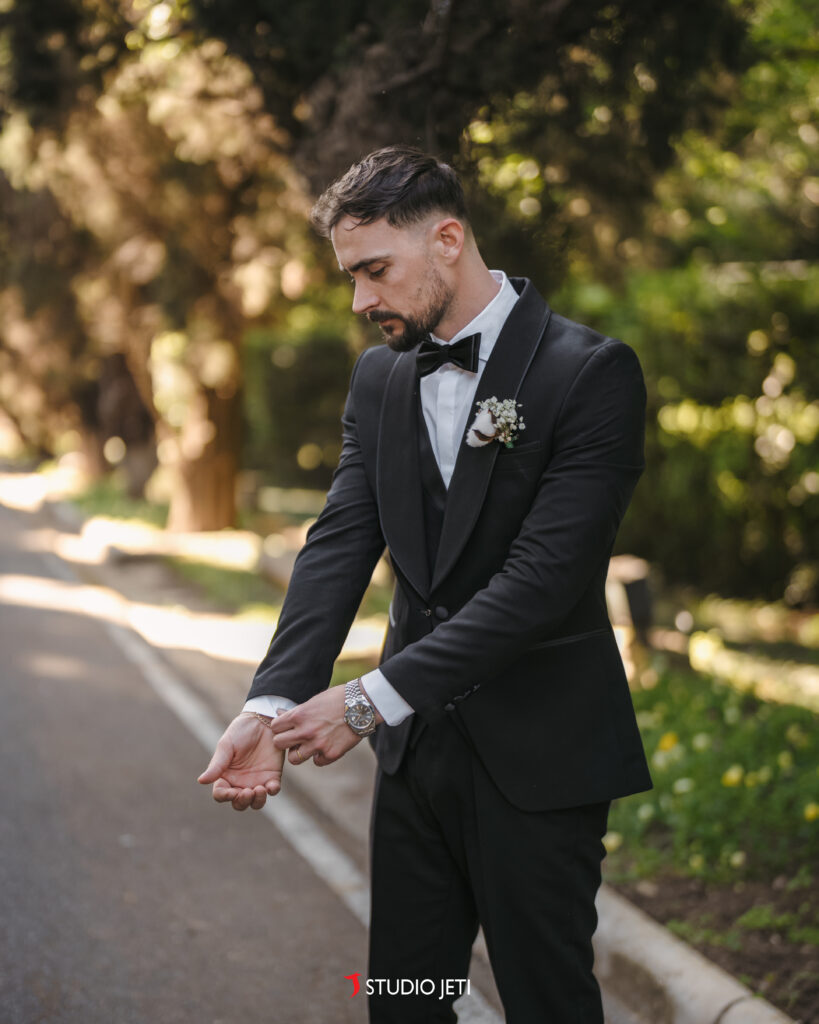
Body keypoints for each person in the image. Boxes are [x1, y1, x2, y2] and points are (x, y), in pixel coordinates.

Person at [199, 145, 652, 1023]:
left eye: (375, 270)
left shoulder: (590, 372)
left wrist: (365, 701)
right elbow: (339, 543)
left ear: (447, 239)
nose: (360, 300)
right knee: (404, 1000)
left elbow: (543, 581)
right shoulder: (378, 378)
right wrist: (270, 701)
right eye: (351, 277)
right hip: (414, 759)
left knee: (546, 1003)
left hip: (540, 754)